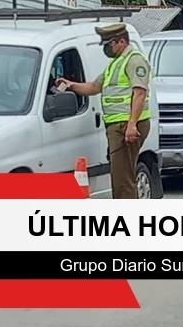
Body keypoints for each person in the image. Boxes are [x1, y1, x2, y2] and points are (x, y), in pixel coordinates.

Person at [56, 23, 152, 199]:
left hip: (127, 126)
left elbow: (139, 93)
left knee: (123, 179)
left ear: (121, 41)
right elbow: (94, 87)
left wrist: (131, 125)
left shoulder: (134, 60)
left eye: (109, 44)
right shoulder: (115, 64)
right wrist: (70, 85)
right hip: (118, 125)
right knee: (120, 175)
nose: (106, 48)